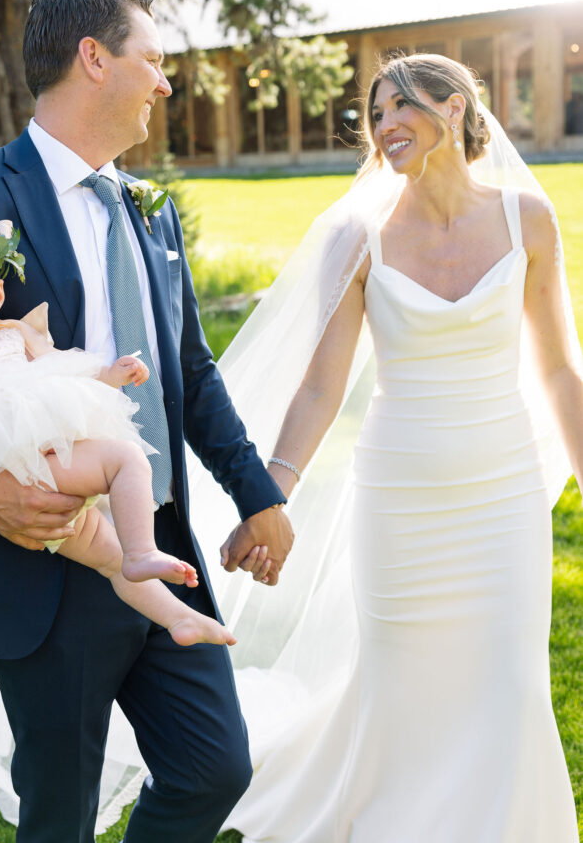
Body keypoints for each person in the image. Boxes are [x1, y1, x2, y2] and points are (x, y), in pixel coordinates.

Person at [0, 0, 293, 843]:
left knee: (213, 769)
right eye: (152, 60)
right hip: (40, 552)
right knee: (60, 808)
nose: (164, 82)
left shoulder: (149, 211)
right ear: (93, 58)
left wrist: (257, 494)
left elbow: (184, 369)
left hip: (157, 538)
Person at [201, 53, 579, 841]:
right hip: (399, 499)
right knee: (403, 677)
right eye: (374, 115)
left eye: (398, 107)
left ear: (453, 109)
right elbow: (317, 389)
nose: (382, 127)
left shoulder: (525, 220)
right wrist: (265, 496)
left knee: (508, 679)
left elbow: (556, 369)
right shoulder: (356, 235)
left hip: (501, 494)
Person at [0, 219, 235, 649]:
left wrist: (110, 375)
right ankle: (143, 550)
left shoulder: (13, 336)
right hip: (24, 473)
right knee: (125, 459)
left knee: (110, 557)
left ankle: (180, 618)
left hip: (54, 459)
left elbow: (65, 368)